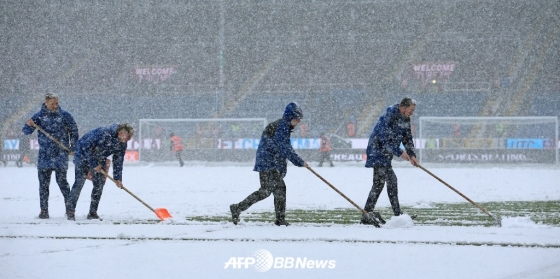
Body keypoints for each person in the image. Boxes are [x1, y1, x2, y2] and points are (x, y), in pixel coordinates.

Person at [230, 102, 308, 226]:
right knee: (269, 190)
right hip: (268, 163)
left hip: (268, 163)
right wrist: (299, 162)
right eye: (297, 119)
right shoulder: (282, 127)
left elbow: (280, 149)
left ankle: (278, 218)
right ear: (290, 117)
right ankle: (239, 208)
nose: (298, 122)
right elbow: (285, 148)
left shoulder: (283, 126)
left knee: (273, 190)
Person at [361, 97, 418, 225]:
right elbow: (383, 139)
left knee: (378, 185)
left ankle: (366, 214)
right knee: (391, 181)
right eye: (411, 110)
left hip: (385, 154)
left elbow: (407, 138)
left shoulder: (406, 119)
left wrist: (411, 154)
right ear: (403, 108)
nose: (412, 113)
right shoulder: (390, 116)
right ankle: (398, 215)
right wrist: (399, 152)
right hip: (377, 151)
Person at [22, 92, 79, 219]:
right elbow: (26, 131)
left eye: (57, 103)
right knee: (43, 185)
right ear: (46, 102)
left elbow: (74, 132)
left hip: (61, 155)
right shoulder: (39, 116)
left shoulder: (65, 116)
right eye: (52, 104)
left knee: (62, 182)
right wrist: (28, 125)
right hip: (44, 156)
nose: (55, 106)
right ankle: (44, 211)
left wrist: (73, 146)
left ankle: (69, 209)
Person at [66, 123, 134, 221]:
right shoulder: (103, 133)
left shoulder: (122, 143)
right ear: (121, 132)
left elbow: (118, 161)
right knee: (79, 183)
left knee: (99, 185)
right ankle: (70, 211)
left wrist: (117, 178)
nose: (128, 140)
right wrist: (93, 164)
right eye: (128, 137)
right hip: (82, 156)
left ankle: (92, 212)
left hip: (99, 158)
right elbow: (86, 146)